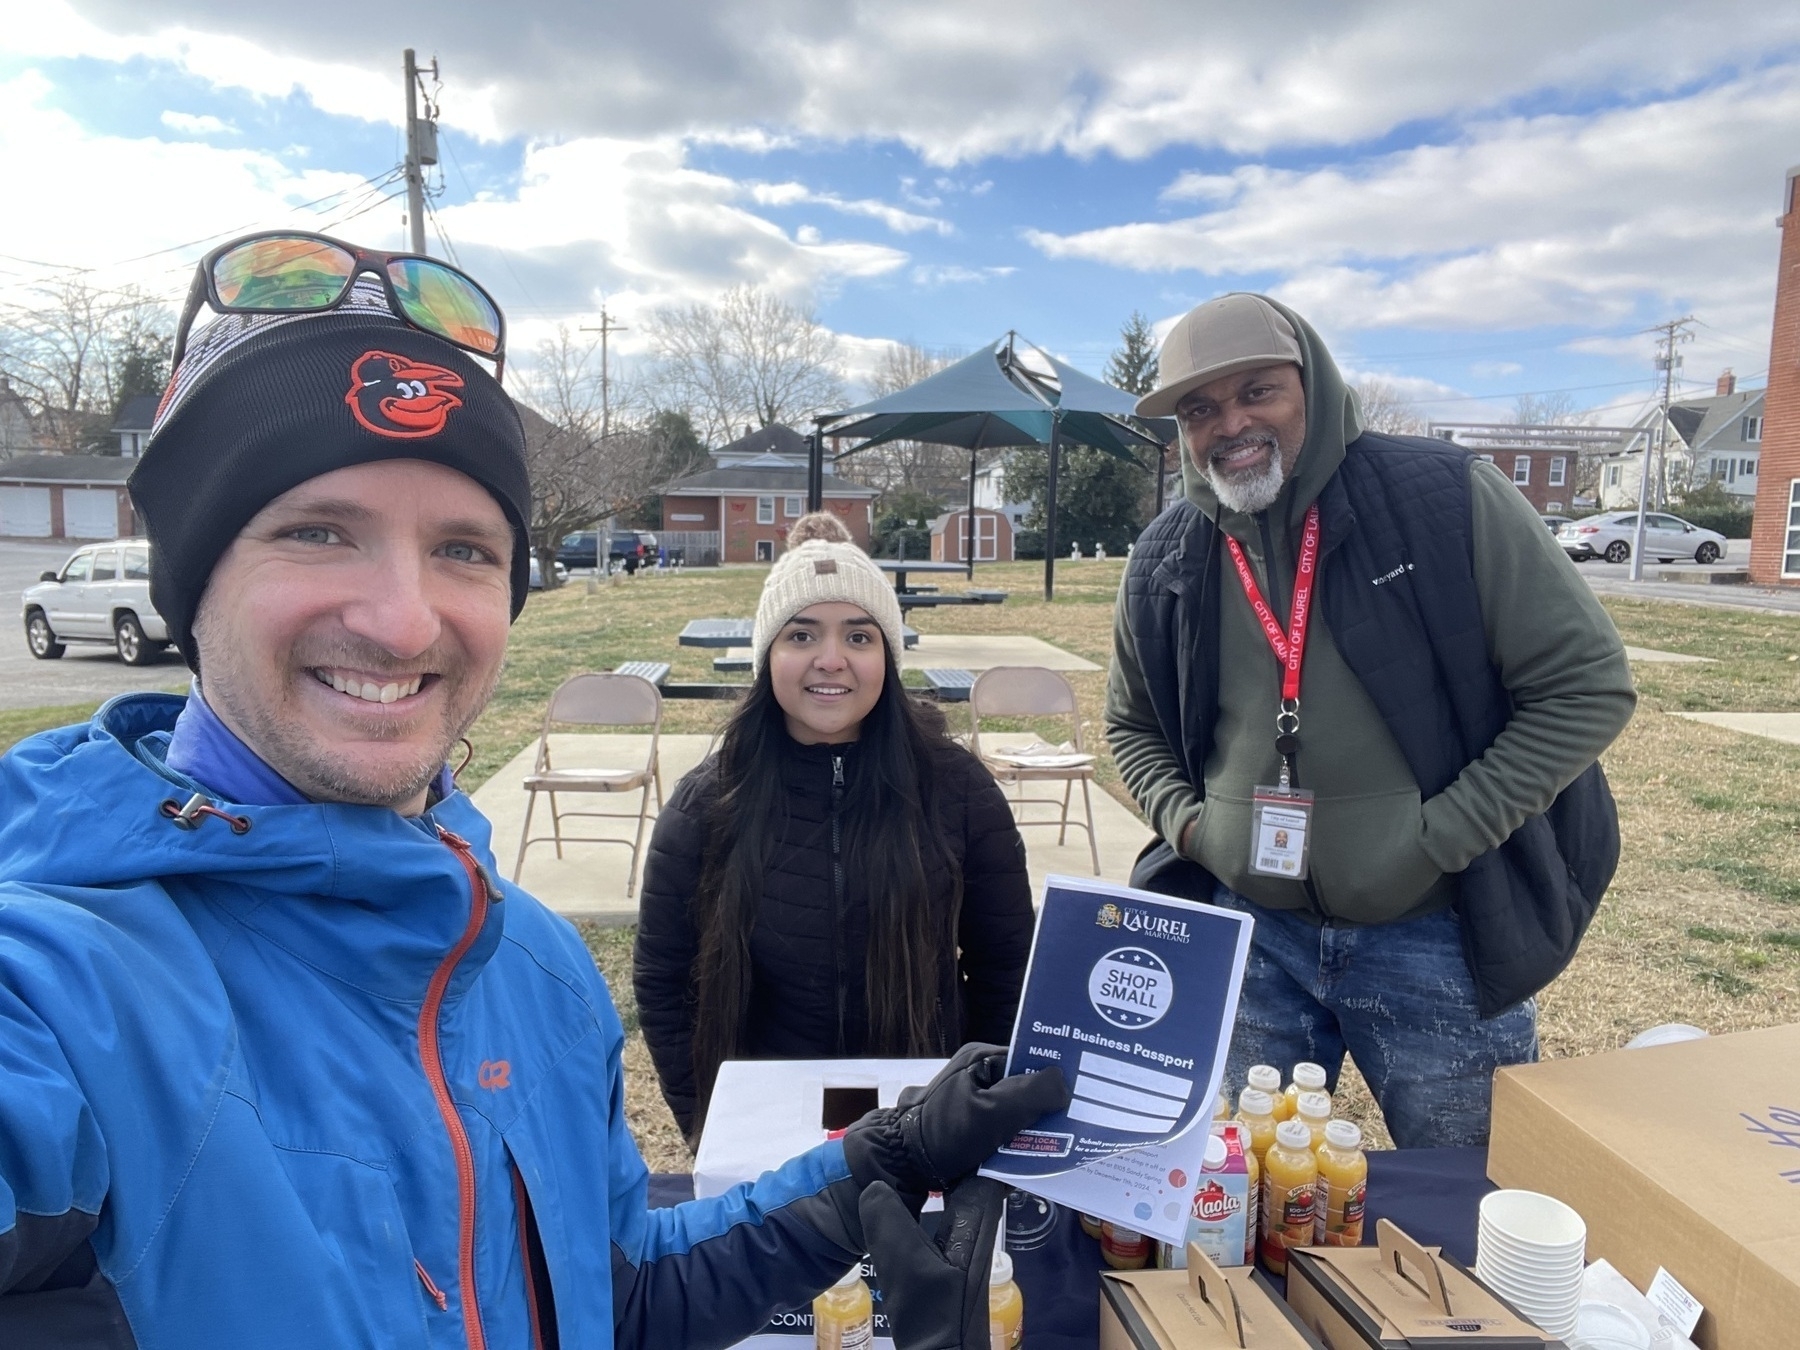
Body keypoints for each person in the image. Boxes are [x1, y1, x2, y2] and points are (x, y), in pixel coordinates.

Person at [0, 232, 1066, 1348]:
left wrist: (878, 1160)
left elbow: (624, 1291)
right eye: (317, 532)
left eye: (463, 550)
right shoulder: (67, 988)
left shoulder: (539, 977)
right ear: (191, 579)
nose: (405, 620)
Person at [1107, 292, 1635, 1148]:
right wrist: (1195, 829)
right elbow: (1129, 727)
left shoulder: (1443, 498)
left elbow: (1587, 687)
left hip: (1435, 935)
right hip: (1252, 946)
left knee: (1468, 1203)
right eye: (1200, 409)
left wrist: (1440, 838)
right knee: (1240, 1206)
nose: (1230, 423)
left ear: (1313, 384)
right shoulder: (1170, 554)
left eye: (1258, 392)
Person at [635, 512, 1035, 1140]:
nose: (830, 660)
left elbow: (1006, 966)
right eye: (801, 636)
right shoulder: (707, 803)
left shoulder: (958, 790)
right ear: (769, 654)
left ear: (887, 655)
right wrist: (707, 1127)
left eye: (858, 637)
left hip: (926, 1124)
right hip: (770, 1133)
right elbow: (663, 984)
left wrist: (978, 1109)